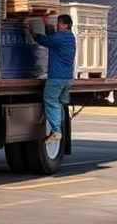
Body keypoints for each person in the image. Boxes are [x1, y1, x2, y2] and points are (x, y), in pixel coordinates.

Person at [28, 14, 76, 143]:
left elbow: (46, 40)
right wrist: (47, 25)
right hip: (67, 79)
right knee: (59, 104)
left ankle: (56, 131)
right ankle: (58, 128)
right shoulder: (70, 37)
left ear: (66, 25)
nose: (57, 25)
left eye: (59, 23)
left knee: (50, 100)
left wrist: (32, 32)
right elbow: (53, 37)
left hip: (57, 78)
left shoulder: (59, 38)